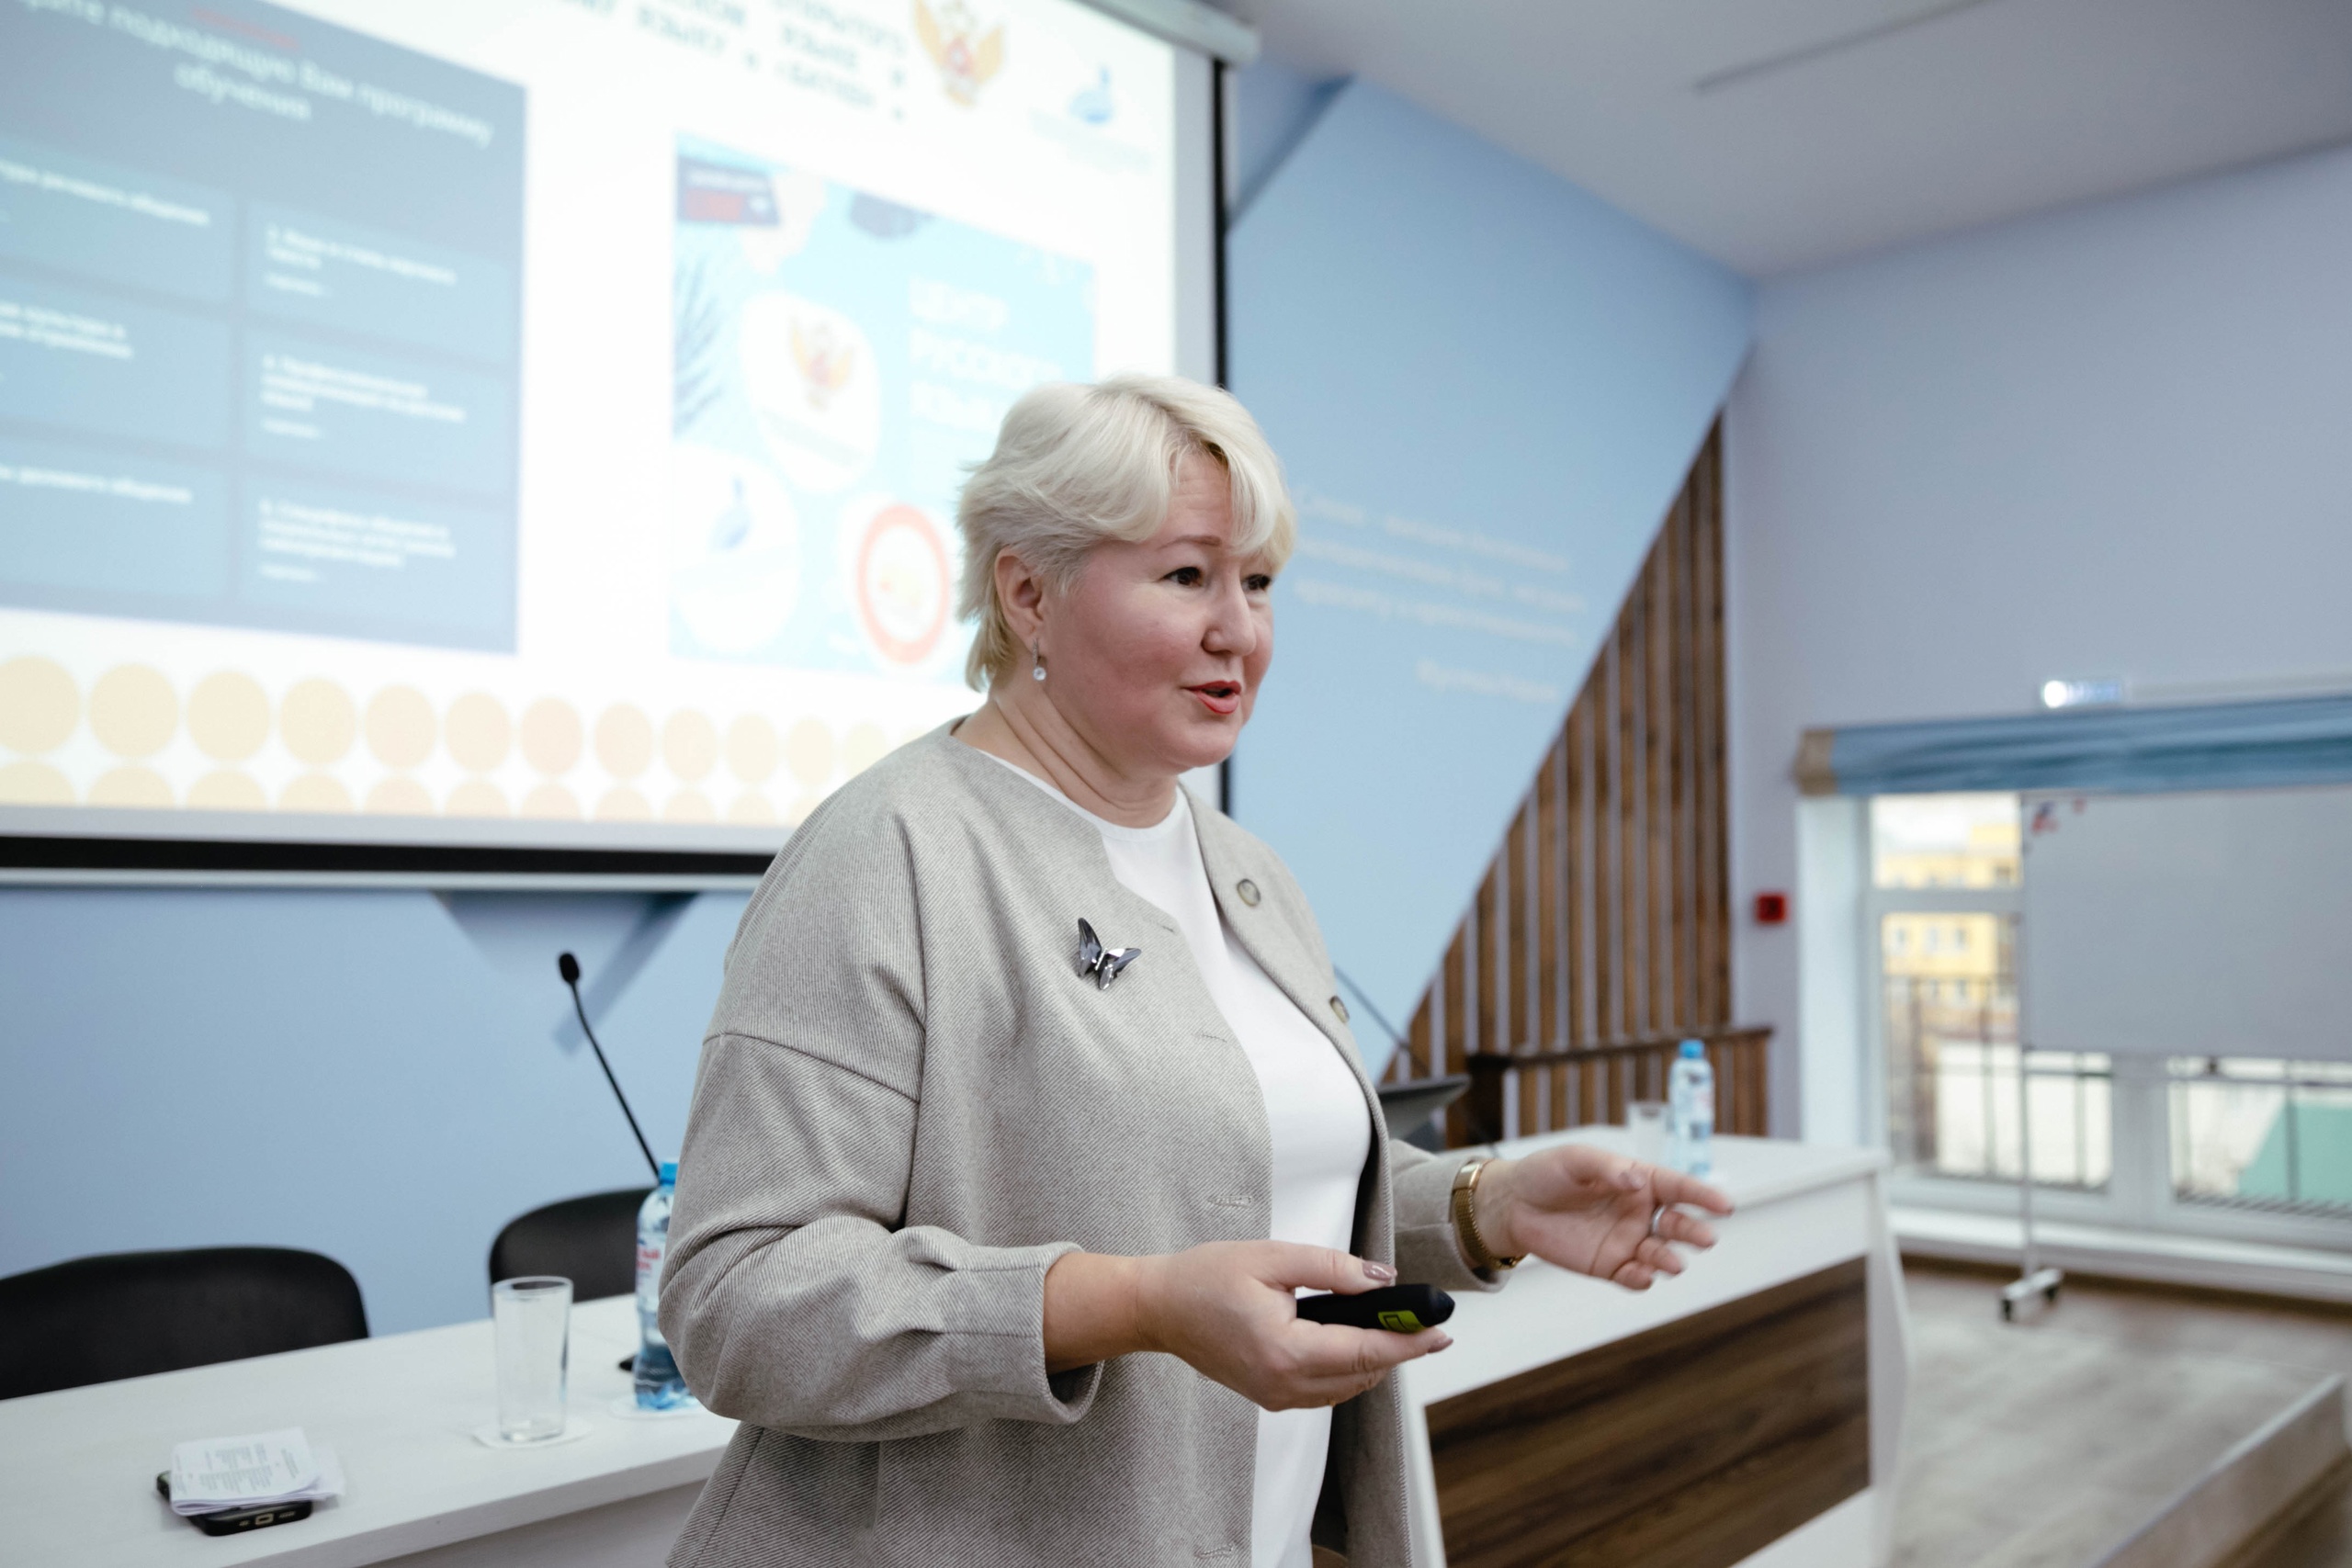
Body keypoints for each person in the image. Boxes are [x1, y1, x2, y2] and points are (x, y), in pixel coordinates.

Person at [659, 375, 1733, 1568]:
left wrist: (1484, 1207)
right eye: (1186, 576)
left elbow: (1242, 1185)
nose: (1240, 632)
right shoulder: (888, 850)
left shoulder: (1246, 871)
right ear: (1027, 594)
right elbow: (737, 1299)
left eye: (1258, 583)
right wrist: (1135, 1305)